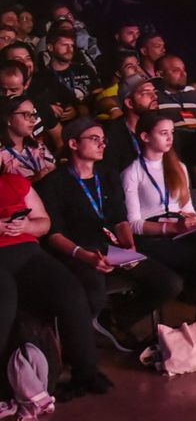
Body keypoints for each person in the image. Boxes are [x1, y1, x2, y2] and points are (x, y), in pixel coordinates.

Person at [39, 118, 183, 354]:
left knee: (170, 283)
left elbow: (120, 219)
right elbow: (54, 235)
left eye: (104, 140)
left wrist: (128, 247)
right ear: (73, 144)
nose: (102, 144)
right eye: (94, 139)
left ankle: (117, 319)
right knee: (94, 294)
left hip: (111, 249)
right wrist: (85, 256)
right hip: (76, 252)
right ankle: (78, 347)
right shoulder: (54, 182)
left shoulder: (107, 175)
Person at [120, 111, 196, 356]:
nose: (170, 138)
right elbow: (133, 224)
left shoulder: (178, 166)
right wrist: (170, 227)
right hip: (153, 238)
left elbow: (186, 208)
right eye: (163, 133)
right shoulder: (133, 172)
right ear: (144, 136)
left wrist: (193, 220)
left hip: (180, 231)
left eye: (172, 133)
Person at [0, 168, 114, 398]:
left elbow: (44, 222)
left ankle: (85, 372)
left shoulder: (15, 183)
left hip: (28, 253)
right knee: (5, 299)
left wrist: (26, 226)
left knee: (70, 292)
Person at [0, 95, 57, 182]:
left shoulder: (38, 145)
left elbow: (54, 171)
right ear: (8, 118)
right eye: (26, 115)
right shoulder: (2, 155)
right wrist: (33, 181)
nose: (33, 120)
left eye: (34, 115)